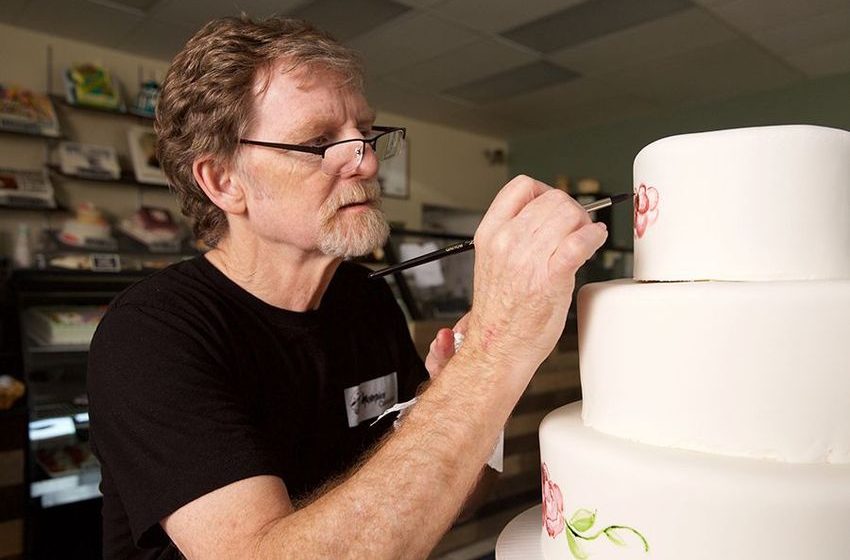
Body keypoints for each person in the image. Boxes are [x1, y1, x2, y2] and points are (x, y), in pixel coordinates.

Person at [87, 15, 608, 560]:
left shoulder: (364, 297)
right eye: (318, 142)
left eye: (365, 132)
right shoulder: (151, 337)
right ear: (224, 182)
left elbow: (451, 500)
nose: (364, 160)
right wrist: (493, 354)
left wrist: (467, 396)